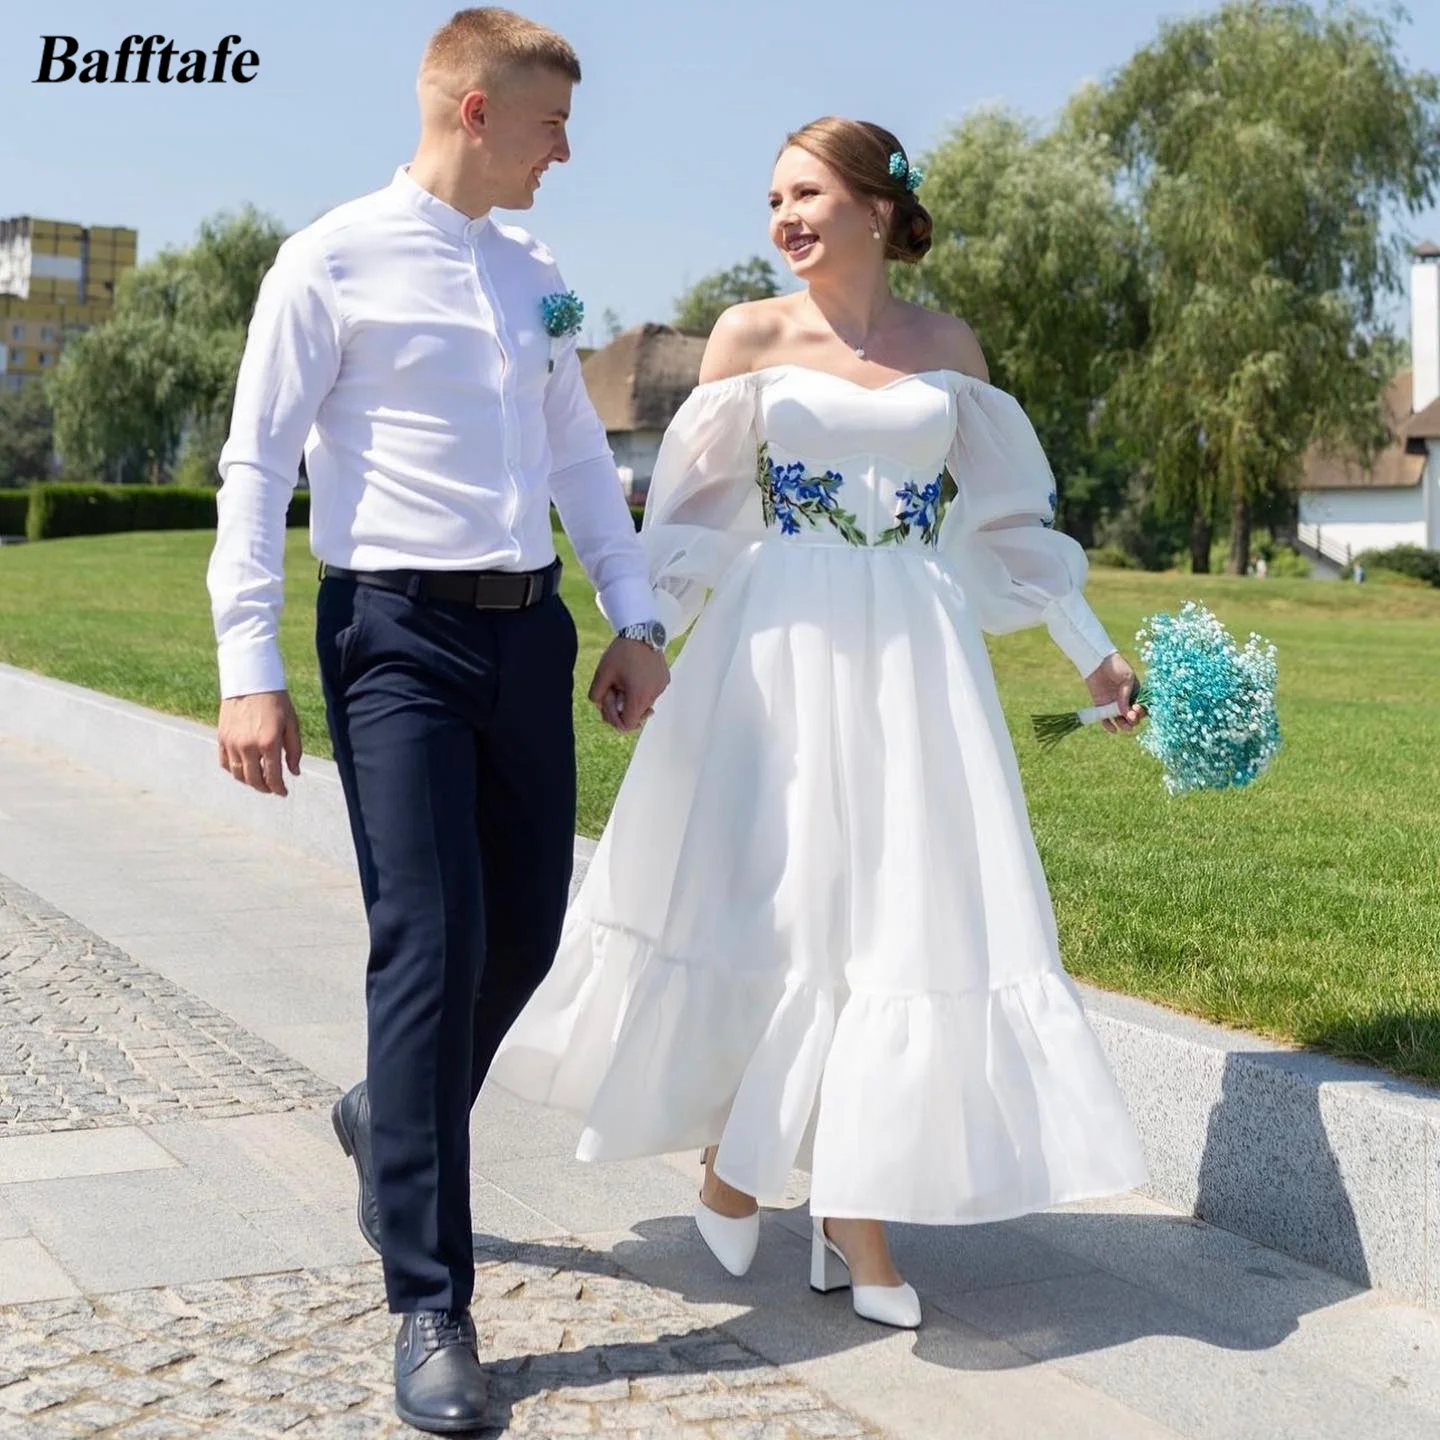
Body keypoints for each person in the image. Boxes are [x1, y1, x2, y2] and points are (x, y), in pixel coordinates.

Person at [491, 116, 1149, 1331]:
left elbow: (1006, 530)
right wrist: (646, 634)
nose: (785, 218)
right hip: (775, 649)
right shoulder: (749, 336)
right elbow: (691, 517)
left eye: (806, 195)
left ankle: (822, 1199)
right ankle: (794, 1193)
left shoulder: (949, 347)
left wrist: (1095, 656)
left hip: (914, 656)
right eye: (774, 201)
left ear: (879, 207)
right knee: (784, 903)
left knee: (901, 915)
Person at [205, 9, 669, 1432]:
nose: (565, 150)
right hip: (390, 634)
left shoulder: (536, 274)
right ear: (475, 111)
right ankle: (431, 1305)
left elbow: (581, 455)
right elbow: (254, 463)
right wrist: (249, 658)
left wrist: (632, 615)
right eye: (548, 124)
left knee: (526, 930)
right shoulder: (327, 260)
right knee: (432, 939)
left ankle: (384, 1118)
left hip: (525, 631)